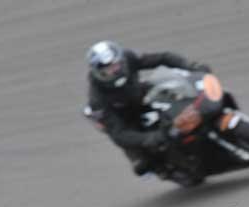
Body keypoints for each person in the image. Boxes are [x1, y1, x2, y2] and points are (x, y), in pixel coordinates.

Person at [85, 40, 212, 178]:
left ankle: (202, 113)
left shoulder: (128, 57)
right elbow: (118, 134)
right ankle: (147, 161)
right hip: (124, 117)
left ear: (121, 60)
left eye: (115, 66)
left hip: (140, 94)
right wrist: (148, 138)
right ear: (97, 72)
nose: (113, 71)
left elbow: (163, 58)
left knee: (174, 90)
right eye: (107, 70)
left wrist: (191, 66)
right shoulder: (97, 99)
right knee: (143, 164)